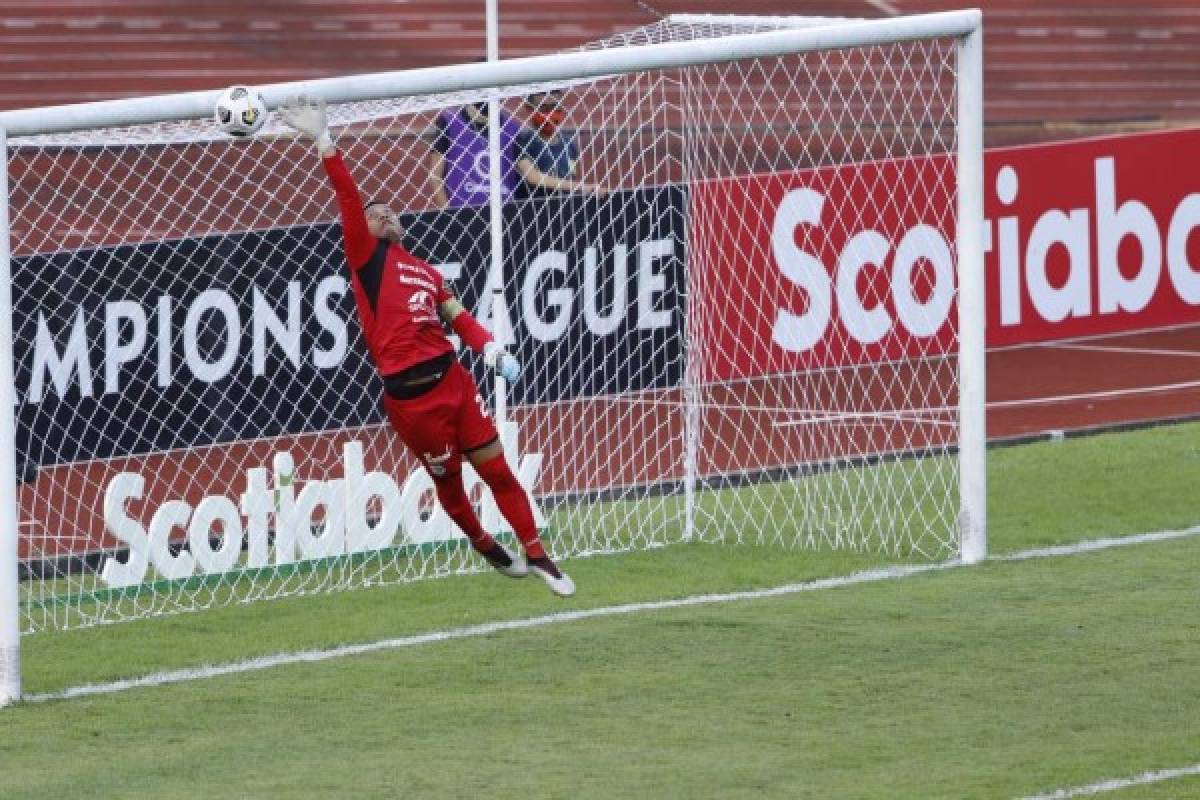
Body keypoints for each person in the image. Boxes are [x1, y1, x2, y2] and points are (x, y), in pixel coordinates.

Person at [279, 95, 574, 597]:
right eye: (376, 213)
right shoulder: (366, 263)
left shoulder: (428, 273)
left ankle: (539, 555)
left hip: (454, 383)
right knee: (452, 486)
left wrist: (492, 351)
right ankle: (483, 543)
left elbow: (462, 322)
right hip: (412, 402)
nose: (384, 212)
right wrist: (325, 141)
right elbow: (349, 197)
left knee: (498, 468)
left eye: (389, 210)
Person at [426, 100, 521, 209]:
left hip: (505, 209)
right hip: (462, 211)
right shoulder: (449, 122)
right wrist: (447, 213)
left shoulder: (512, 128)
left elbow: (526, 171)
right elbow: (435, 175)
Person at [514, 89, 606, 199]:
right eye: (543, 108)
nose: (550, 114)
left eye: (554, 107)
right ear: (529, 109)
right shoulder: (523, 141)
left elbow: (570, 177)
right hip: (532, 209)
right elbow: (533, 177)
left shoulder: (568, 144)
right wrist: (583, 187)